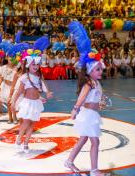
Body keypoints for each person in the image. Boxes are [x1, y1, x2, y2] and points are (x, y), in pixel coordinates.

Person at [66, 21, 105, 176]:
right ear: (90, 71)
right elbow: (81, 98)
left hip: (92, 114)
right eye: (97, 69)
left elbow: (94, 98)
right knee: (95, 141)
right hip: (87, 115)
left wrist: (99, 103)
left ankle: (69, 161)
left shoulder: (96, 82)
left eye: (100, 69)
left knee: (83, 140)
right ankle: (94, 170)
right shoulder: (89, 83)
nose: (100, 71)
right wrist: (74, 110)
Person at [11, 49, 52, 153]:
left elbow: (41, 88)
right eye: (33, 64)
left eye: (37, 64)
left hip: (35, 103)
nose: (36, 66)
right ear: (28, 65)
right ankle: (19, 140)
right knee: (25, 122)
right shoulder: (25, 77)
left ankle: (26, 143)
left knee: (31, 124)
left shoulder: (39, 77)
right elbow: (19, 91)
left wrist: (44, 95)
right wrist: (13, 102)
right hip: (27, 103)